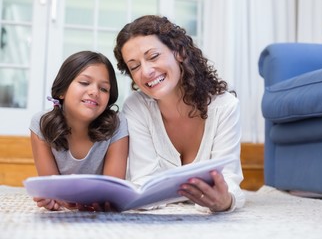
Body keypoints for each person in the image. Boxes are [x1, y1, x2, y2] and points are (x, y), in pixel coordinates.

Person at [113, 15, 244, 213]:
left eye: (153, 56)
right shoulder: (137, 107)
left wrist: (225, 201)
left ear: (180, 52)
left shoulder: (225, 107)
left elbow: (229, 180)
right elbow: (144, 182)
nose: (146, 71)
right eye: (135, 66)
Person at [29, 51, 129, 211]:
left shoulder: (117, 124)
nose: (95, 92)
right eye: (84, 82)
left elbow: (113, 191)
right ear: (62, 91)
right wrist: (53, 200)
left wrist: (71, 198)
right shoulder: (41, 124)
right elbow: (52, 190)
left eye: (104, 89)